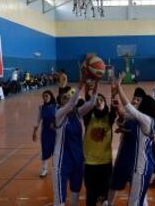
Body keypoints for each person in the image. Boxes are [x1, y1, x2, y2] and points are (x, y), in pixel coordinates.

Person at [104, 73, 155, 206]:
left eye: (139, 100)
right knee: (135, 197)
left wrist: (119, 86)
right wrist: (114, 94)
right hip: (131, 161)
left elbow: (127, 108)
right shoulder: (136, 118)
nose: (135, 101)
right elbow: (122, 114)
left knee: (136, 200)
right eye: (134, 99)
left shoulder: (145, 119)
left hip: (141, 165)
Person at [53, 70, 98, 206]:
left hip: (78, 160)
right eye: (64, 98)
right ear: (60, 103)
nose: (67, 99)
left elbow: (91, 104)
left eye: (68, 97)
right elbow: (71, 105)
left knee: (75, 195)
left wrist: (96, 84)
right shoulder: (58, 115)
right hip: (62, 162)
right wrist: (81, 83)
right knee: (59, 200)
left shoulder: (77, 115)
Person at [83, 85, 118, 206]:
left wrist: (114, 93)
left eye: (101, 100)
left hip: (105, 162)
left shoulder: (109, 117)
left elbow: (114, 107)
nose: (98, 102)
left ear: (105, 103)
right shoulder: (88, 117)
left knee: (104, 195)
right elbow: (88, 100)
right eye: (96, 100)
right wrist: (89, 89)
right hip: (90, 162)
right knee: (91, 194)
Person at [33, 90, 57, 177]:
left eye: (47, 96)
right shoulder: (41, 108)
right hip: (45, 133)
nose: (45, 98)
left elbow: (60, 118)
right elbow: (37, 120)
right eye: (44, 96)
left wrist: (54, 123)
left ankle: (55, 169)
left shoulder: (56, 107)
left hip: (55, 133)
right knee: (44, 151)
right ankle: (44, 169)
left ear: (51, 96)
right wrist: (34, 132)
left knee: (55, 151)